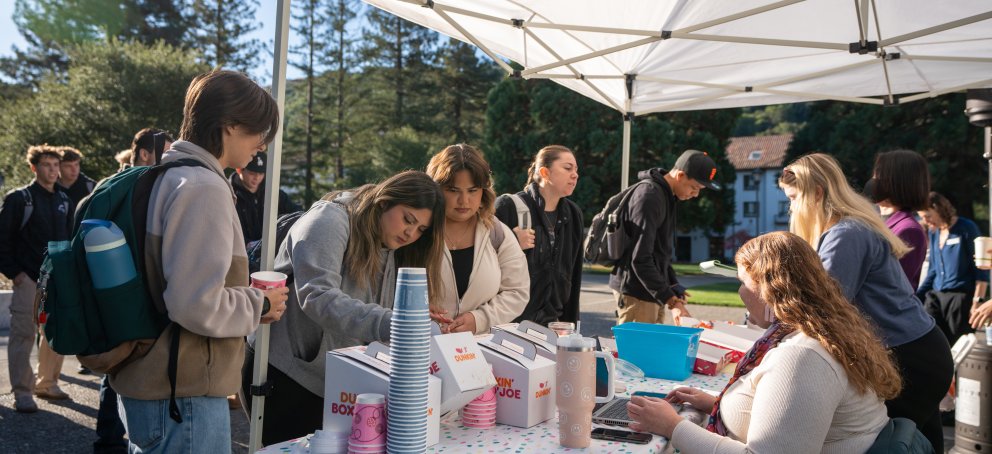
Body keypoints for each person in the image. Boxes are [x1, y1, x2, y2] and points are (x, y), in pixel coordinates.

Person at [110, 70, 289, 454]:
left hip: (151, 383)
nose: (261, 145)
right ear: (229, 125)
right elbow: (195, 303)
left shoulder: (165, 175)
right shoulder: (203, 187)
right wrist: (260, 303)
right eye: (259, 133)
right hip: (182, 395)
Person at [627, 231, 900, 453]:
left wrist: (673, 427)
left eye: (743, 282)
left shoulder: (802, 357)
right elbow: (792, 418)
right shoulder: (817, 334)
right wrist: (718, 405)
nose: (740, 292)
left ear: (770, 290)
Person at [242, 170, 446, 445]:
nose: (411, 232)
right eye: (408, 219)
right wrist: (395, 322)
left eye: (421, 229)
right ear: (384, 201)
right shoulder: (329, 219)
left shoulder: (390, 245)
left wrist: (413, 317)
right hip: (286, 376)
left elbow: (372, 312)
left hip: (337, 383)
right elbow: (318, 297)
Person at [778, 153, 952, 452]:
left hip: (909, 356)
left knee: (892, 444)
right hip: (917, 350)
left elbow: (824, 306)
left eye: (794, 198)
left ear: (817, 192)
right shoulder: (850, 227)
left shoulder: (846, 234)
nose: (791, 207)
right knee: (920, 444)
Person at [0, 145, 74, 413]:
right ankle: (22, 391)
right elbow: (2, 240)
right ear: (34, 167)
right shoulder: (20, 199)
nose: (53, 170)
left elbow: (68, 239)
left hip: (55, 279)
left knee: (55, 333)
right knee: (23, 335)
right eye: (47, 165)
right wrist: (15, 274)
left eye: (56, 165)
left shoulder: (64, 200)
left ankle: (48, 383)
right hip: (27, 278)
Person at [426, 144, 529, 334]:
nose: (464, 201)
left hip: (478, 351)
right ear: (436, 189)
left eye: (472, 190)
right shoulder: (416, 231)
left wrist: (479, 319)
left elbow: (518, 291)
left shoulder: (497, 232)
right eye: (453, 190)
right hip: (418, 348)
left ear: (484, 191)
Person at [609, 149, 719, 325]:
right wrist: (672, 301)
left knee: (652, 349)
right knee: (638, 351)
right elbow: (640, 258)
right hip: (637, 291)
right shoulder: (650, 196)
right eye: (694, 187)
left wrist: (673, 286)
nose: (696, 194)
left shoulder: (666, 196)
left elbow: (659, 251)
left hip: (650, 291)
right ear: (680, 175)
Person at [494, 145, 582, 326]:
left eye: (576, 169)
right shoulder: (508, 206)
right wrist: (511, 242)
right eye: (567, 168)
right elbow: (480, 262)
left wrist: (571, 325)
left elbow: (574, 273)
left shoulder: (573, 214)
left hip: (553, 325)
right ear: (545, 172)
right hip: (510, 325)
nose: (575, 175)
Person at [916, 191, 988, 346]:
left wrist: (978, 301)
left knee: (956, 345)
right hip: (936, 297)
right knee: (931, 342)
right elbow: (933, 271)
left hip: (959, 299)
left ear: (937, 209)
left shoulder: (966, 228)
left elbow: (981, 269)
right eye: (922, 217)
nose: (925, 221)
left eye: (927, 216)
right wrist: (916, 297)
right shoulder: (934, 233)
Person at [865, 149, 930, 289]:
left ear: (897, 181)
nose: (873, 180)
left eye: (879, 174)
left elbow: (892, 287)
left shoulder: (908, 230)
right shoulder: (871, 221)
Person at [231, 151, 301, 247]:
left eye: (261, 173)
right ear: (239, 170)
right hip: (239, 253)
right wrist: (248, 244)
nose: (257, 177)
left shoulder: (273, 193)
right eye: (252, 173)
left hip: (272, 252)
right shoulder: (229, 194)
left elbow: (296, 213)